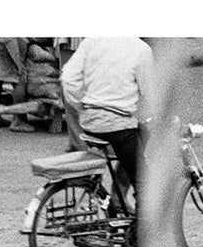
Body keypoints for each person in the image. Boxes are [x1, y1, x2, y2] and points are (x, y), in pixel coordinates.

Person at [60, 36, 153, 214]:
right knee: (144, 181)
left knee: (136, 140)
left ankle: (117, 200)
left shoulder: (91, 41)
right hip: (118, 125)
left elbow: (68, 80)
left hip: (89, 122)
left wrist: (83, 105)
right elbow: (149, 91)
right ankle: (142, 229)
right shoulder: (141, 49)